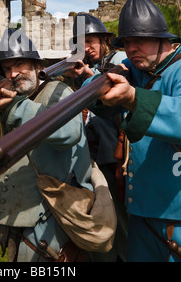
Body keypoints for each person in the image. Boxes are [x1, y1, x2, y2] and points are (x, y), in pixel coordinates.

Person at [88, 0, 181, 262]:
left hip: (176, 215)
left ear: (164, 40)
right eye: (127, 43)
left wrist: (133, 98)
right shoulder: (133, 68)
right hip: (141, 211)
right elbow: (90, 89)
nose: (132, 48)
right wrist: (97, 84)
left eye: (140, 40)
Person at [0, 28, 93, 262]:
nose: (13, 74)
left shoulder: (60, 92)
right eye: (7, 68)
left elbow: (69, 133)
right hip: (19, 208)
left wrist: (15, 108)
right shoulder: (17, 100)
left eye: (20, 64)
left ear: (37, 65)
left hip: (51, 212)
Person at [66, 13, 128, 261]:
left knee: (122, 222)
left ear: (104, 40)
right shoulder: (93, 68)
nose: (86, 48)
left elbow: (114, 89)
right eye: (80, 43)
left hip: (119, 157)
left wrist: (88, 75)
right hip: (98, 156)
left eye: (90, 41)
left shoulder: (121, 60)